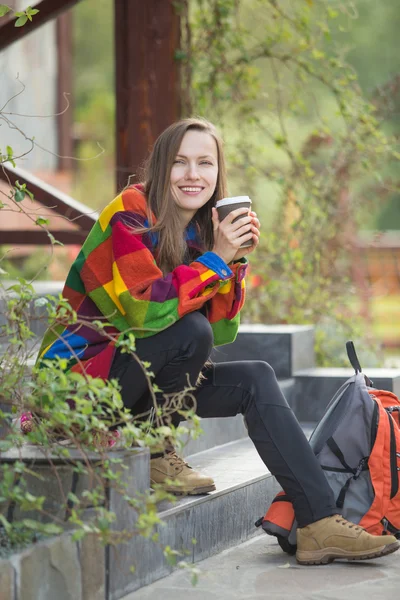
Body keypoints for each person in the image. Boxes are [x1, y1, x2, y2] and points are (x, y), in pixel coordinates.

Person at [37, 118, 399, 565]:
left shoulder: (201, 232)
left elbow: (223, 332)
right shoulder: (129, 212)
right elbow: (142, 310)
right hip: (76, 386)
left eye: (205, 163)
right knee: (190, 331)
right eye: (180, 162)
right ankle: (152, 445)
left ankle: (318, 523)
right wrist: (217, 261)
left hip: (133, 377)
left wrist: (234, 262)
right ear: (160, 169)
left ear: (217, 173)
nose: (193, 174)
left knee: (255, 377)